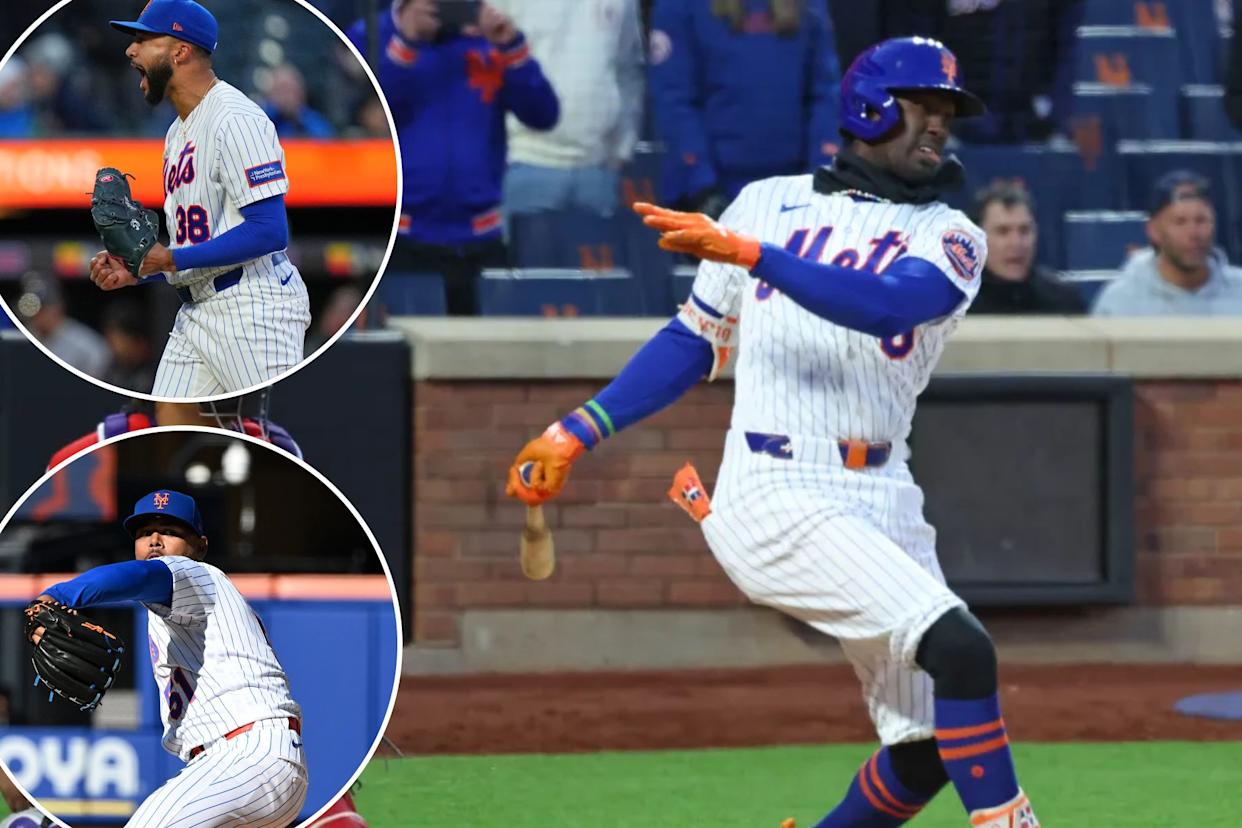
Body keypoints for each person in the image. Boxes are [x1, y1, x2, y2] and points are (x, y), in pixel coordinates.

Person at [506, 37, 1040, 828]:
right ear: (870, 108)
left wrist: (756, 256)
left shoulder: (952, 235)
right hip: (775, 486)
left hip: (883, 491)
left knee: (925, 751)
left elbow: (889, 305)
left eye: (948, 112)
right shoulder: (765, 202)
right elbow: (693, 340)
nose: (939, 126)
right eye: (924, 107)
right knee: (964, 650)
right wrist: (574, 431)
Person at [27, 489, 307, 827]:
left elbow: (143, 575)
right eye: (145, 533)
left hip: (248, 754)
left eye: (171, 532)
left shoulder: (200, 576)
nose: (155, 541)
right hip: (238, 764)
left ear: (199, 546)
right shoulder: (168, 612)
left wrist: (59, 594)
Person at [89, 0, 312, 397]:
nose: (130, 50)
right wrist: (142, 270)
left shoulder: (236, 119)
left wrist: (171, 258)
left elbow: (269, 231)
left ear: (180, 51)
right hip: (198, 309)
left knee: (276, 443)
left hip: (254, 311)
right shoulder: (177, 132)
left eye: (143, 39)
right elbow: (195, 245)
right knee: (167, 434)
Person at [347, 0, 558, 315]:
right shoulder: (370, 35)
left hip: (480, 238)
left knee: (485, 357)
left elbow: (543, 114)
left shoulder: (486, 37)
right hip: (400, 237)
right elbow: (372, 115)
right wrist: (406, 41)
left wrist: (511, 47)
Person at [648, 0, 841, 217]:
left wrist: (820, 172)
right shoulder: (680, 6)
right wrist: (701, 184)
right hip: (711, 191)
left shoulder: (809, 6)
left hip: (794, 189)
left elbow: (824, 92)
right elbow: (675, 99)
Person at [490, 0, 644, 218]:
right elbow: (486, 60)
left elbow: (628, 68)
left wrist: (622, 148)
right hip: (525, 161)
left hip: (598, 170)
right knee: (528, 253)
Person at [1092, 170, 1242, 316]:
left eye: (1201, 220)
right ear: (1153, 231)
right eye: (1180, 222)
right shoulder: (1119, 302)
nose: (1194, 233)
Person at [968, 182, 1084, 314]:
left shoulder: (1065, 301)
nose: (1016, 243)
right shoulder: (955, 306)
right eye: (1003, 231)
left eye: (1024, 231)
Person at [15, 274, 111, 378]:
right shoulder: (23, 337)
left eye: (41, 310)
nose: (36, 316)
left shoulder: (85, 343)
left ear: (58, 307)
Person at [260, 62, 334, 138]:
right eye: (280, 90)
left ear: (301, 92)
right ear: (270, 95)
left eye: (290, 89)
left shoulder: (315, 123)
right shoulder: (263, 120)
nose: (286, 96)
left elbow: (325, 140)